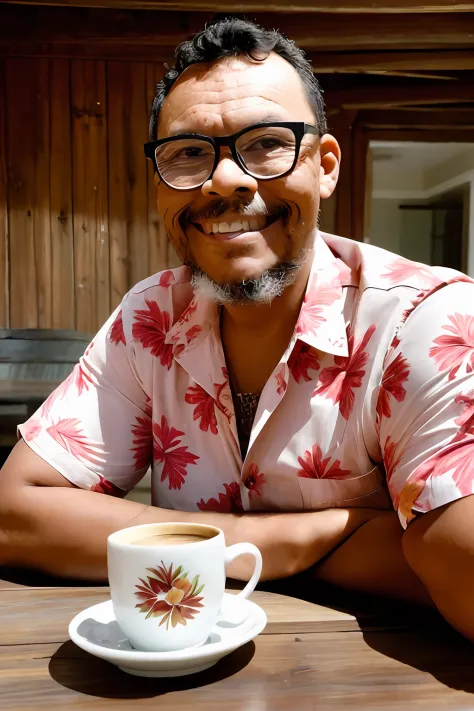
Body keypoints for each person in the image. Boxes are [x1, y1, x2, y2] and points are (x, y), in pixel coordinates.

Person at [1, 17, 474, 641]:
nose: (226, 179)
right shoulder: (151, 318)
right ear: (160, 186)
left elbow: (461, 572)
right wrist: (294, 537)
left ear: (325, 165)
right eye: (189, 154)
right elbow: (15, 514)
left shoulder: (426, 321)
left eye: (267, 143)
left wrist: (196, 549)